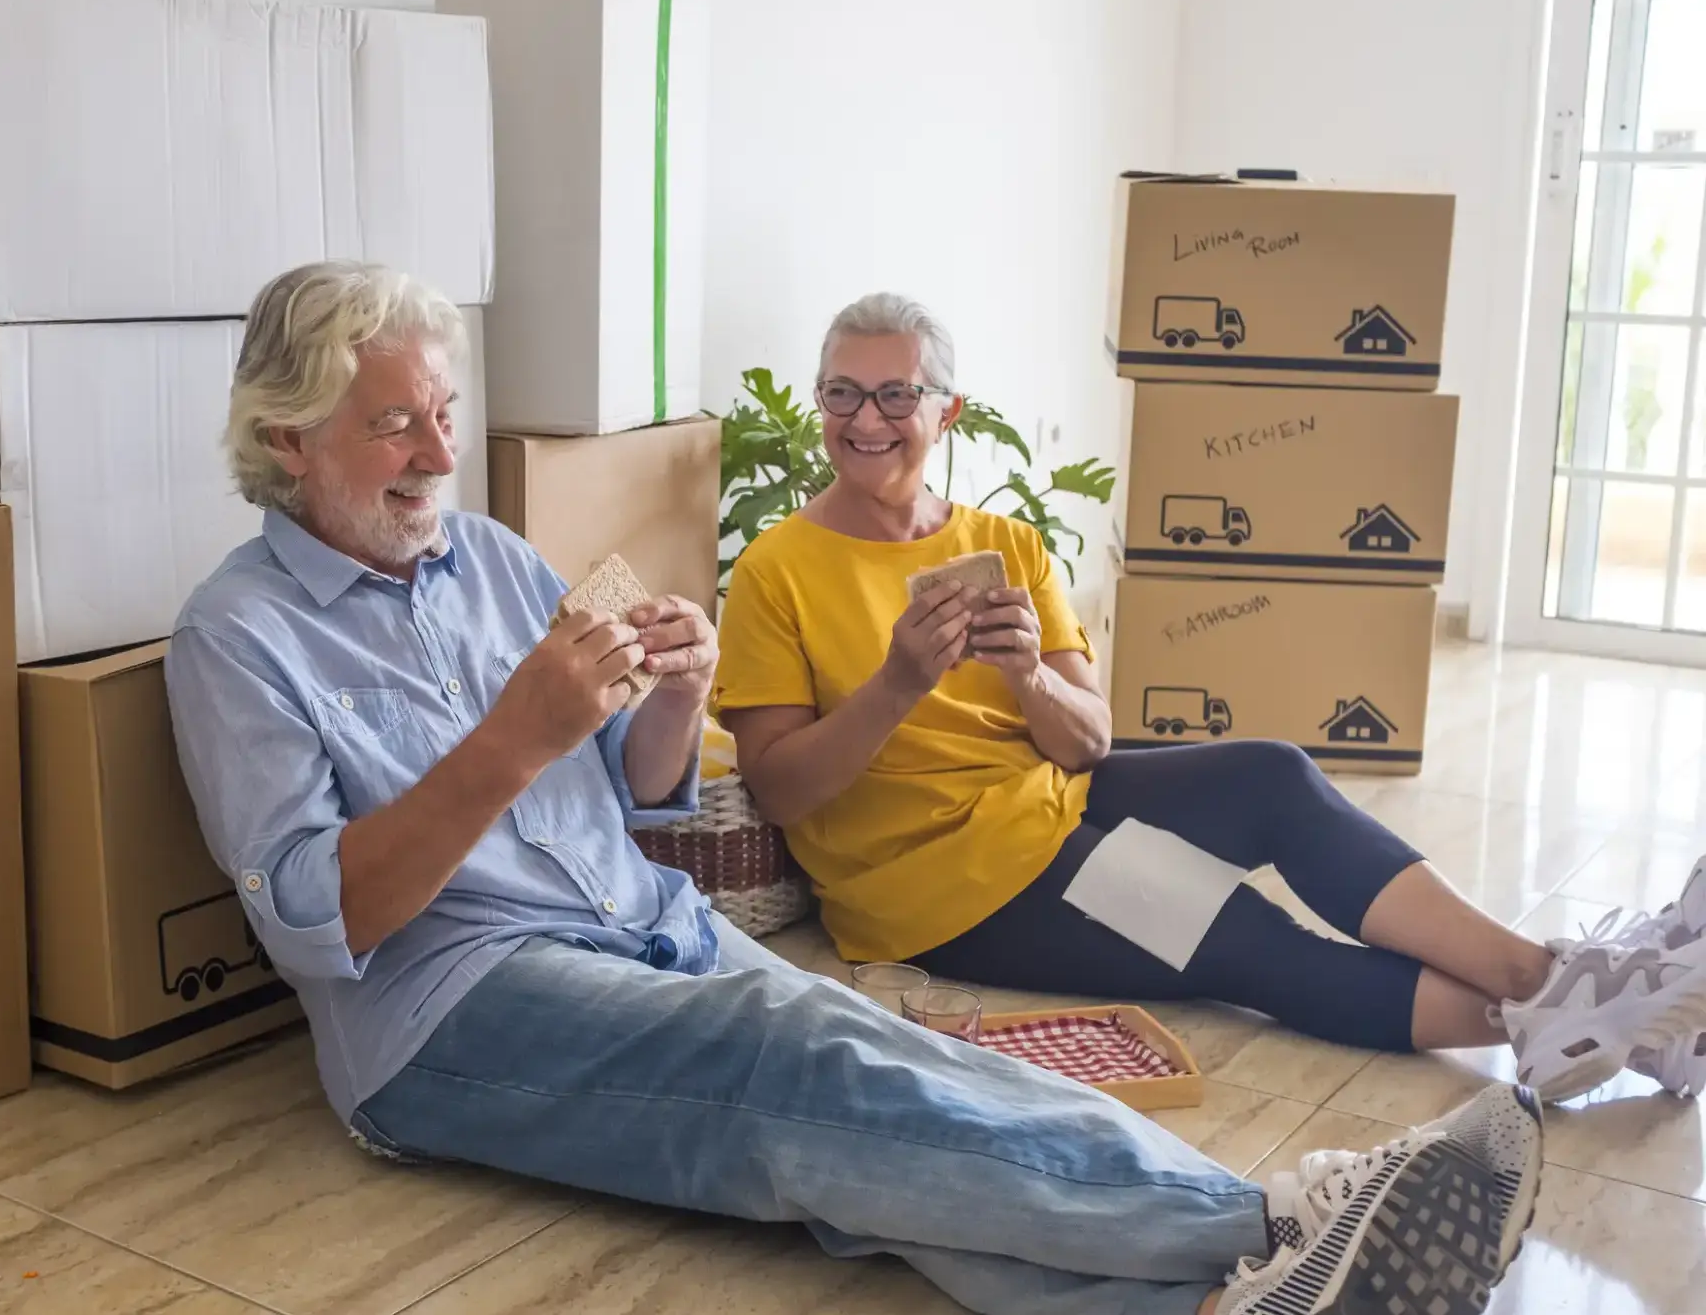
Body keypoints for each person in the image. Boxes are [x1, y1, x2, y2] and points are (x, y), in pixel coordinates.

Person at [166, 261, 1547, 1315]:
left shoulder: (494, 559)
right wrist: (513, 742)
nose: (435, 454)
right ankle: (1268, 1223)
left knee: (896, 1091)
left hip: (642, 926)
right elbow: (315, 926)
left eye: (443, 416)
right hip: (446, 1005)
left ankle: (1237, 1295)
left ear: (941, 413)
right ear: (287, 439)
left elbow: (641, 798)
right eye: (394, 423)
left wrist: (677, 695)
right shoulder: (240, 637)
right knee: (807, 1075)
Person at [713, 291, 1706, 1107]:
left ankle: (1559, 991)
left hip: (1048, 804)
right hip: (934, 884)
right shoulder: (774, 568)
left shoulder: (1005, 544)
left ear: (945, 412)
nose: (865, 420)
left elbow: (1088, 738)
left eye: (894, 394)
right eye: (842, 393)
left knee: (1271, 774)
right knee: (1235, 936)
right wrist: (896, 683)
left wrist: (1022, 675)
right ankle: (1581, 1009)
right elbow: (782, 790)